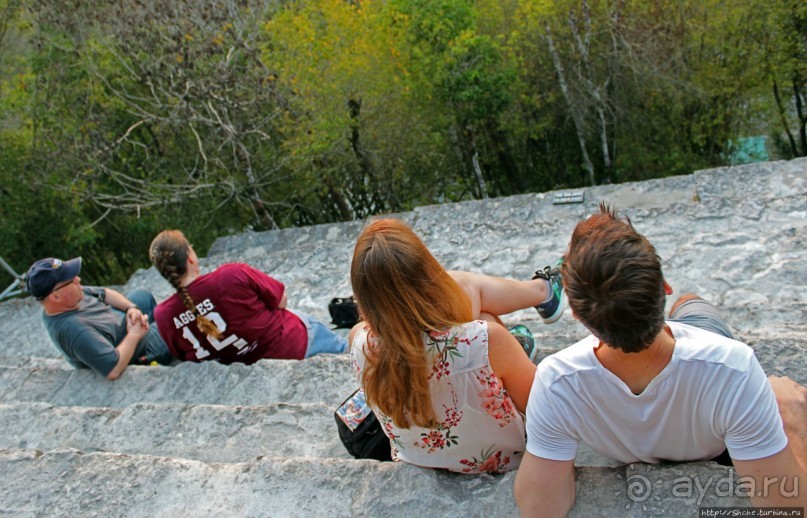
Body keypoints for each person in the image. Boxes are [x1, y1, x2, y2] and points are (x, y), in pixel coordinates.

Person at [514, 204, 807, 515]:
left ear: (575, 313)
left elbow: (539, 506)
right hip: (704, 353)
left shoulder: (556, 382)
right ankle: (684, 304)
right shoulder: (734, 368)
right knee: (692, 302)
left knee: (690, 306)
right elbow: (788, 507)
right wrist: (793, 422)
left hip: (682, 348)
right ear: (664, 286)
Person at [348, 218, 564, 473]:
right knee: (480, 317)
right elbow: (547, 412)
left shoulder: (358, 341)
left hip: (419, 461)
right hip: (504, 462)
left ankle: (539, 297)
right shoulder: (491, 341)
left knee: (482, 321)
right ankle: (542, 292)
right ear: (429, 274)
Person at [149, 230, 347, 364]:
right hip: (292, 346)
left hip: (240, 367)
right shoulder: (230, 275)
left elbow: (183, 357)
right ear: (190, 257)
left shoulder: (163, 315)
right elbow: (281, 300)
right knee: (342, 348)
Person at [27, 257, 174, 380]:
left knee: (142, 295)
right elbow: (113, 370)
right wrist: (134, 335)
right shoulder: (75, 330)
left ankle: (161, 332)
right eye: (71, 280)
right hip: (137, 350)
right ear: (55, 296)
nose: (78, 279)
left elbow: (105, 293)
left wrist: (131, 308)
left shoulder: (70, 298)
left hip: (125, 327)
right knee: (174, 318)